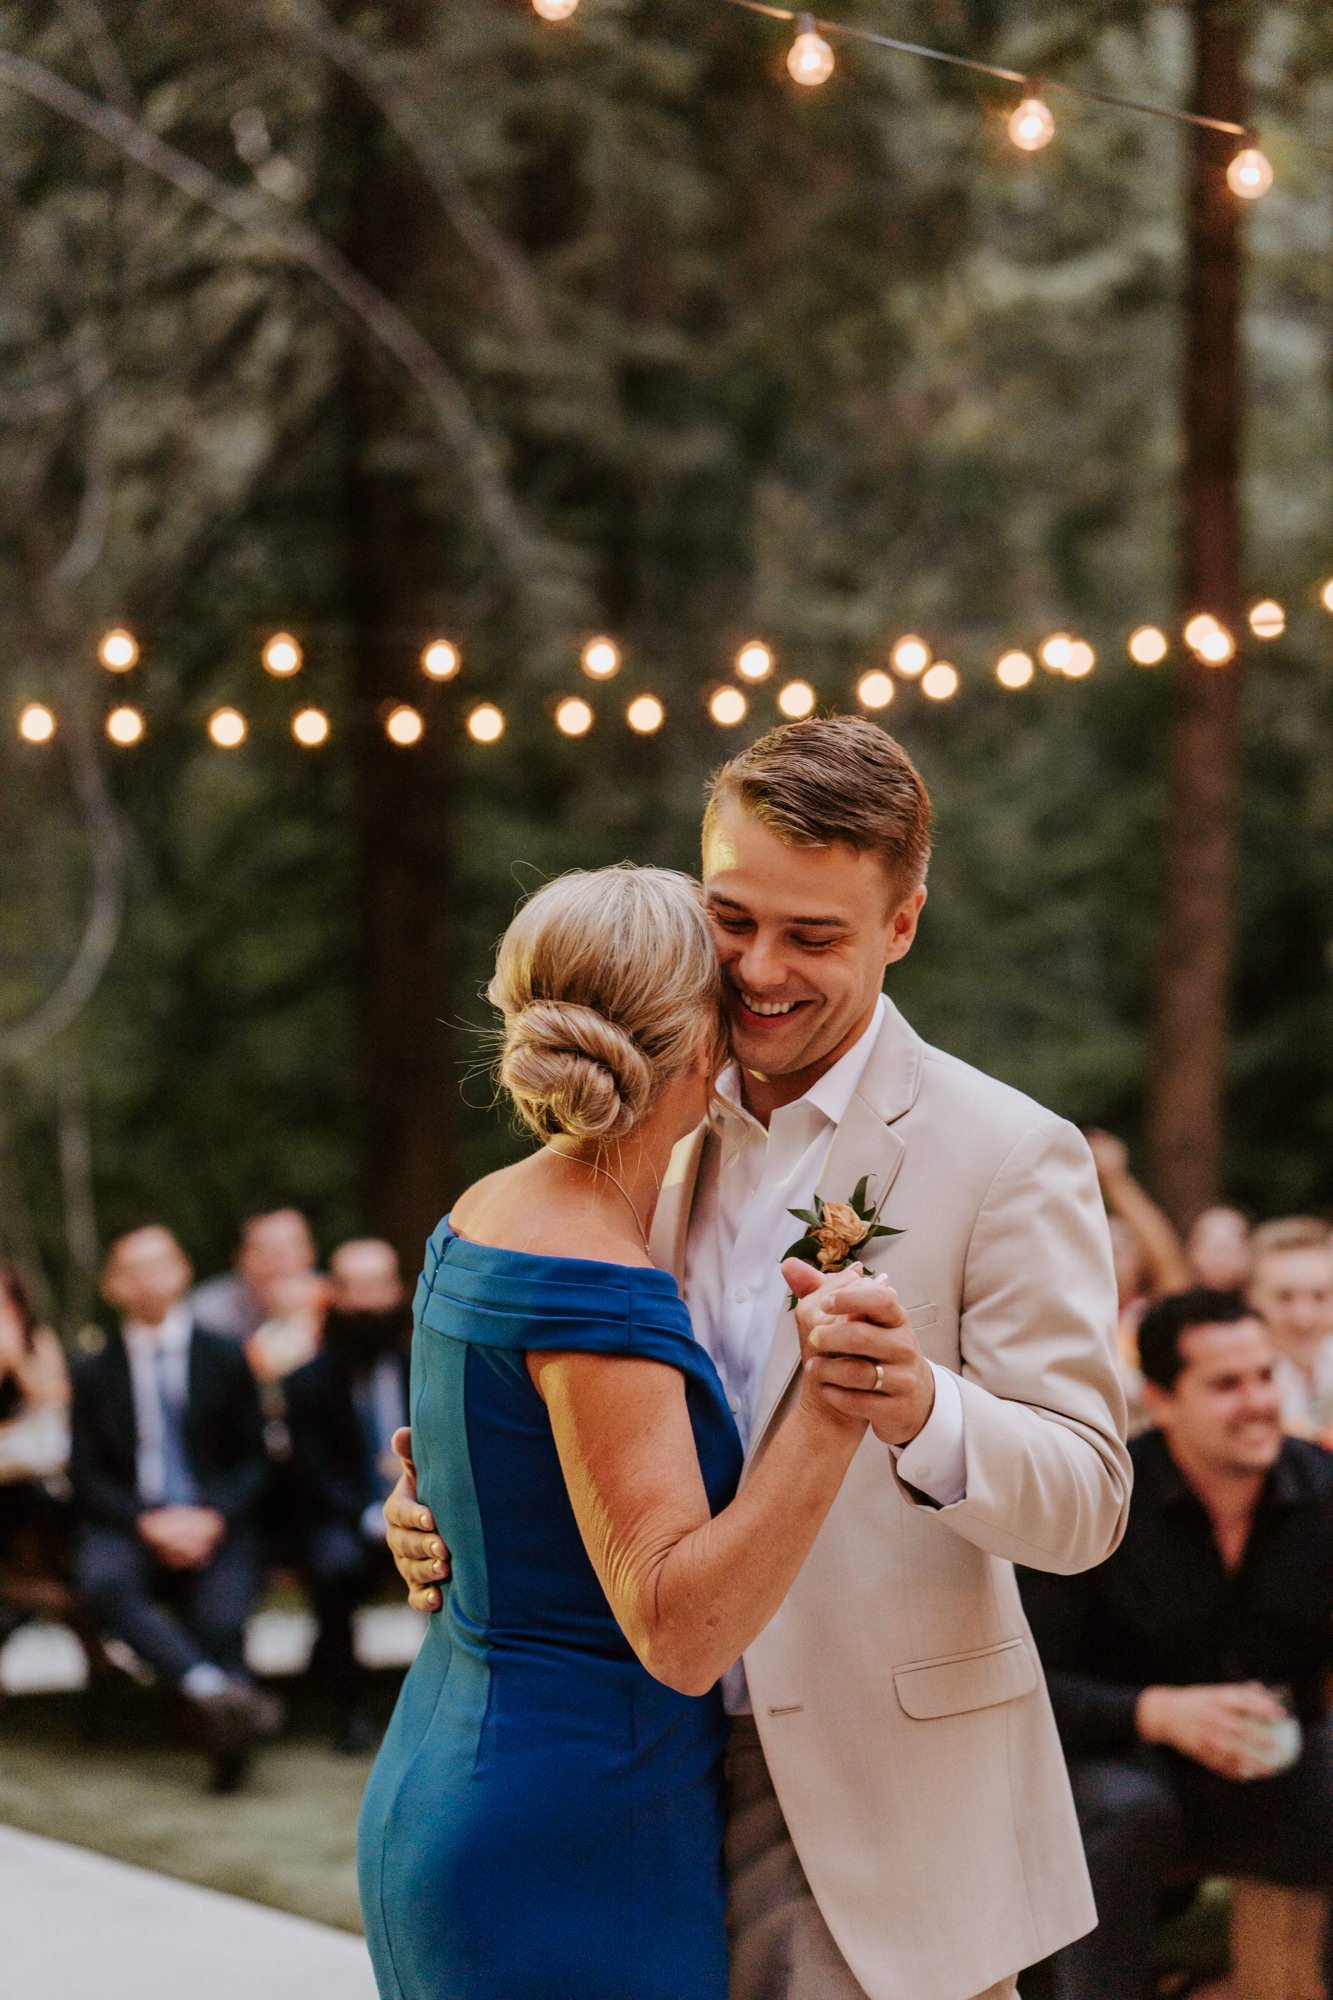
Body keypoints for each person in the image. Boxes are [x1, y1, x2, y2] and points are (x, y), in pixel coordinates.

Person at [383, 716, 1131, 2000]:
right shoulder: (636, 1106)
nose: (761, 971)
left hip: (875, 1805)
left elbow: (1088, 1499)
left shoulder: (1008, 1152)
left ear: (902, 923)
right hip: (632, 1773)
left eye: (816, 935)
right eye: (733, 920)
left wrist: (923, 1408)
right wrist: (445, 1505)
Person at [357, 865, 875, 2000]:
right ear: (699, 1048)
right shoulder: (599, 1285)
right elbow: (680, 1632)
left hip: (457, 1766)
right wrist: (834, 1404)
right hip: (577, 1830)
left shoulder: (486, 1210)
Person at [1020, 1288, 1333, 2000]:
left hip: (1275, 1767)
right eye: (1226, 1384)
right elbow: (1028, 1681)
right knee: (1124, 1809)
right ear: (1160, 1400)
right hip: (1122, 1770)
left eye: (1263, 1376)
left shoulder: (1321, 1489)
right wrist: (1157, 1712)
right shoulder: (1098, 1503)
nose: (1257, 1401)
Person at [69, 1226, 280, 1790]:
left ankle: (227, 1745)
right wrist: (147, 1521)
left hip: (216, 1520)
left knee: (221, 1619)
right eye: (131, 1269)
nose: (147, 1279)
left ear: (182, 1269)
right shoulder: (93, 1371)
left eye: (158, 1264)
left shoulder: (226, 1356)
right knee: (102, 1582)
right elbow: (85, 1472)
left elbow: (255, 1461)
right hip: (133, 1522)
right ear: (112, 1285)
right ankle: (220, 1694)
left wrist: (211, 1517)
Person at [284, 1238, 411, 1752]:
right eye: (354, 1288)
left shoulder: (428, 1364)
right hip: (346, 1517)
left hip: (430, 1513)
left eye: (377, 1286)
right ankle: (349, 1709)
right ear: (333, 1295)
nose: (366, 1302)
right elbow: (309, 1471)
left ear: (397, 1291)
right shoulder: (307, 1381)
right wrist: (370, 1512)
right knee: (332, 1565)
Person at [0, 1264, 97, 1660]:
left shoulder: (36, 1344)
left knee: (41, 1517)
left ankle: (85, 1632)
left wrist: (17, 1361)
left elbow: (57, 1412)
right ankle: (59, 1601)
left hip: (31, 1488)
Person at [1245, 1217, 1333, 1444]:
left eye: (1319, 1296)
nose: (1304, 1317)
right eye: (1285, 1297)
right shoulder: (1234, 1385)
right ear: (1251, 1299)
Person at [190, 1207, 318, 1345]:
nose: (281, 1263)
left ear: (311, 1252)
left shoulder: (337, 1301)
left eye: (293, 1247)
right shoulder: (205, 1315)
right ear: (240, 1258)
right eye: (266, 1250)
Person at [1186, 1203, 1252, 1292]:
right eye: (1212, 1250)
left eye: (1228, 1250)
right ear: (1191, 1252)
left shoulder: (1260, 1303)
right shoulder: (1173, 1304)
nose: (1220, 1260)